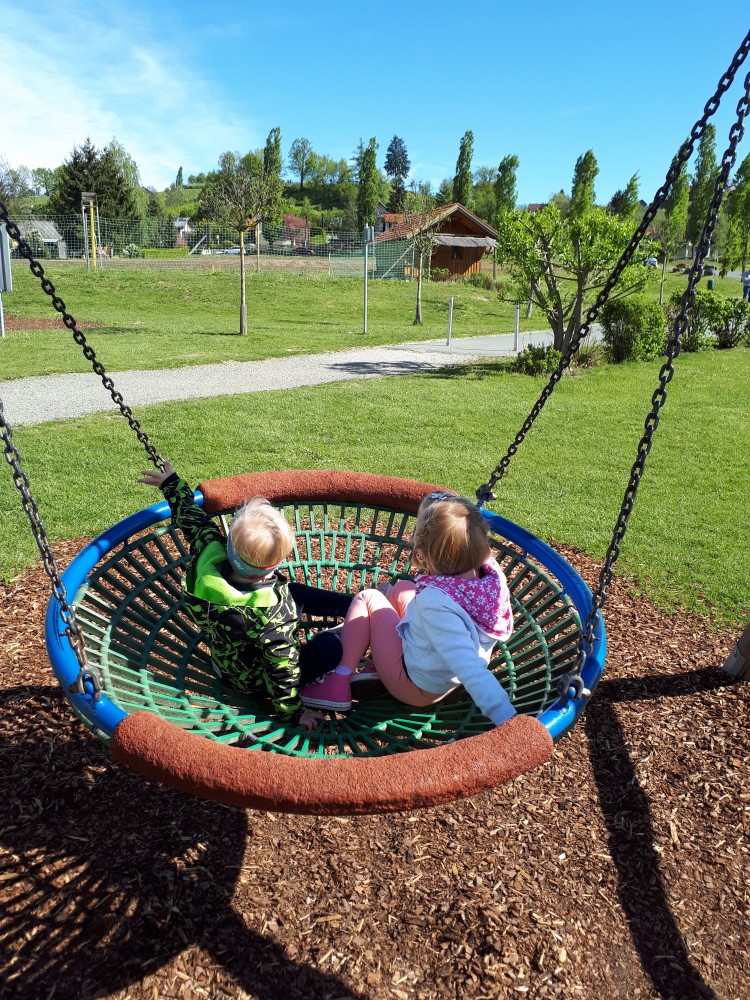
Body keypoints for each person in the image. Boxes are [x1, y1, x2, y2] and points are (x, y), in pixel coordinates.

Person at [138, 461, 353, 731]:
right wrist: (293, 712)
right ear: (271, 568)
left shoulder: (209, 553)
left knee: (293, 592)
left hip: (225, 663)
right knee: (331, 647)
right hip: (255, 682)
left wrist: (171, 485)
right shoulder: (273, 613)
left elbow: (192, 519)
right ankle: (348, 618)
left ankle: (350, 605)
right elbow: (282, 669)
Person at [300, 491, 516, 726]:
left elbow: (470, 668)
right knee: (402, 589)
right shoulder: (490, 575)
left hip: (415, 686)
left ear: (422, 552)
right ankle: (379, 666)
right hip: (439, 673)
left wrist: (507, 719)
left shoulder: (436, 604)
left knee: (368, 598)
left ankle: (337, 684)